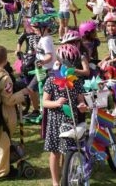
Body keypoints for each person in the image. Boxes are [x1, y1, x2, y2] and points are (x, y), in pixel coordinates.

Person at [0, 45, 30, 183]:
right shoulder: (5, 77)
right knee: (3, 143)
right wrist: (22, 94)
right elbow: (8, 100)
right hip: (3, 114)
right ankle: (1, 173)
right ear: (6, 60)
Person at [43, 44, 88, 186]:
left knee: (68, 151)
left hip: (70, 121)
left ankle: (66, 175)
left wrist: (82, 106)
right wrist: (56, 103)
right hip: (56, 123)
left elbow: (81, 100)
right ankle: (55, 182)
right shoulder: (51, 80)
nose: (71, 70)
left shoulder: (76, 81)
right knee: (56, 153)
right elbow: (44, 102)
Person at [24, 16, 56, 121]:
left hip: (46, 70)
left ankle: (38, 110)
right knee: (36, 90)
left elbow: (49, 56)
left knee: (32, 89)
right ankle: (39, 110)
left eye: (37, 29)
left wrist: (42, 62)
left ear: (44, 28)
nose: (35, 31)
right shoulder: (44, 38)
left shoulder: (46, 39)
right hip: (43, 69)